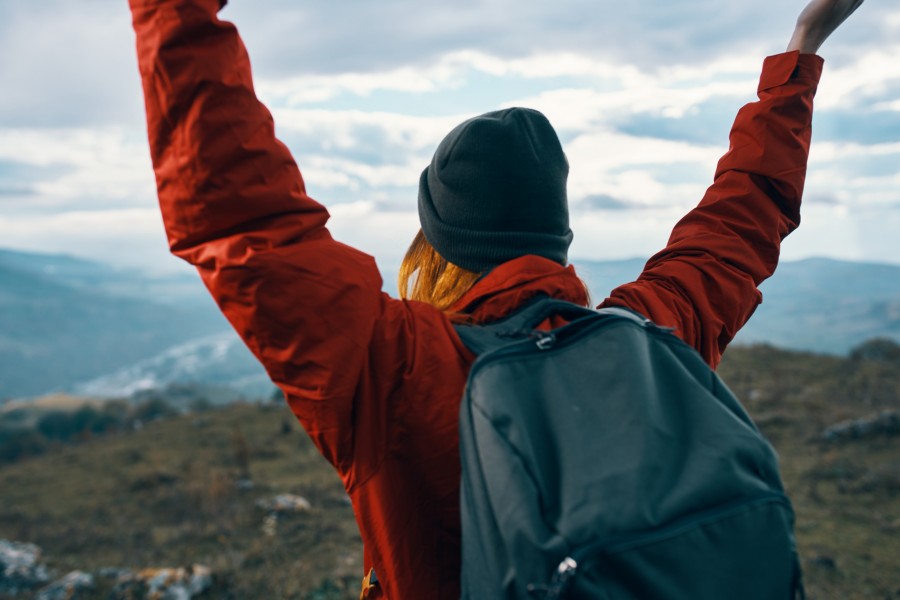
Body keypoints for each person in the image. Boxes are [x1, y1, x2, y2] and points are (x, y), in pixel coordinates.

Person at [128, 0, 863, 597]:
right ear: (556, 232)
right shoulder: (647, 337)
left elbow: (243, 219)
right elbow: (741, 217)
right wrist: (802, 47)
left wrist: (175, 13)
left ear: (437, 246)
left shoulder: (393, 370)